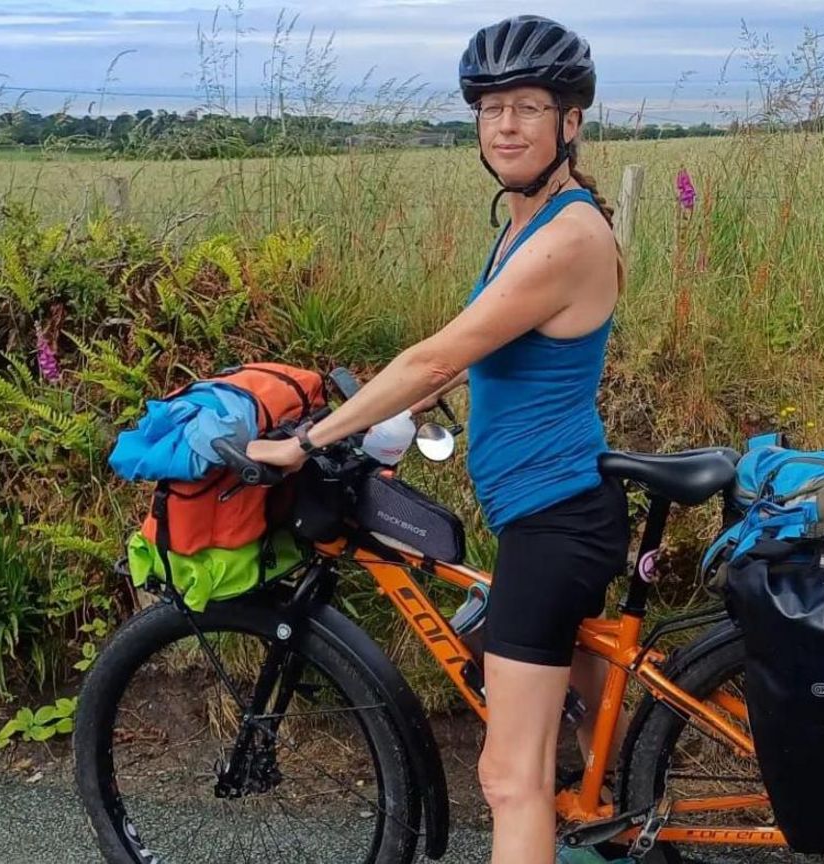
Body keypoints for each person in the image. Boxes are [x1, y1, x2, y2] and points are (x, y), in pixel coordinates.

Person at [246, 15, 630, 864]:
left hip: (554, 521)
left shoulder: (566, 235)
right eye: (492, 109)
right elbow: (486, 353)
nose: (507, 126)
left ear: (571, 122)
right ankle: (620, 814)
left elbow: (437, 356)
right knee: (563, 702)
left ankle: (582, 817)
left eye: (530, 107)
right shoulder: (528, 219)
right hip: (553, 507)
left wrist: (309, 443)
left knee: (508, 776)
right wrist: (394, 414)